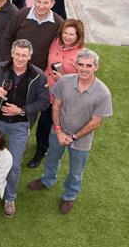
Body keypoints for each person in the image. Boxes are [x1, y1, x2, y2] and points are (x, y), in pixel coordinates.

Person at [27, 49, 112, 214]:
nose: (84, 69)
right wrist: (58, 131)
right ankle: (47, 179)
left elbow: (96, 122)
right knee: (52, 158)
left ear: (96, 67)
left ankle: (69, 195)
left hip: (82, 139)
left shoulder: (103, 93)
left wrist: (73, 137)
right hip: (58, 131)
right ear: (76, 65)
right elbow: (56, 105)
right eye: (81, 64)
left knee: (76, 171)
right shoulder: (64, 81)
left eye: (89, 65)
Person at [0, 39, 50, 218]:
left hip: (21, 124)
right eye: (17, 54)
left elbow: (43, 102)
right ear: (12, 54)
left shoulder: (39, 76)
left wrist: (20, 110)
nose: (20, 58)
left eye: (24, 55)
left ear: (30, 56)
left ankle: (10, 197)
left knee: (14, 163)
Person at [28, 19, 86, 169]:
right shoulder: (54, 42)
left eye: (71, 34)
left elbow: (83, 79)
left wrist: (64, 79)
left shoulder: (82, 55)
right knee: (33, 116)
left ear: (78, 36)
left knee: (45, 124)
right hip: (44, 89)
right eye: (65, 33)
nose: (67, 37)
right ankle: (35, 143)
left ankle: (40, 152)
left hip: (61, 96)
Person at [2, 0, 63, 71]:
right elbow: (7, 37)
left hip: (38, 71)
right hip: (15, 67)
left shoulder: (58, 23)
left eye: (46, 3)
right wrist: (9, 62)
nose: (41, 6)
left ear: (52, 3)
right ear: (34, 0)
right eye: (38, 2)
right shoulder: (22, 14)